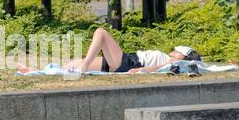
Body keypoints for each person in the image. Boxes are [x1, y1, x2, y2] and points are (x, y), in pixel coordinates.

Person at [18, 28, 202, 74]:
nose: (173, 52)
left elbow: (158, 68)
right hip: (127, 60)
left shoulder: (176, 62)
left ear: (184, 56)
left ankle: (84, 67)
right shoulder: (171, 59)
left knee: (101, 33)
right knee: (72, 64)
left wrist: (140, 70)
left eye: (177, 51)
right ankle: (37, 72)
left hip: (131, 63)